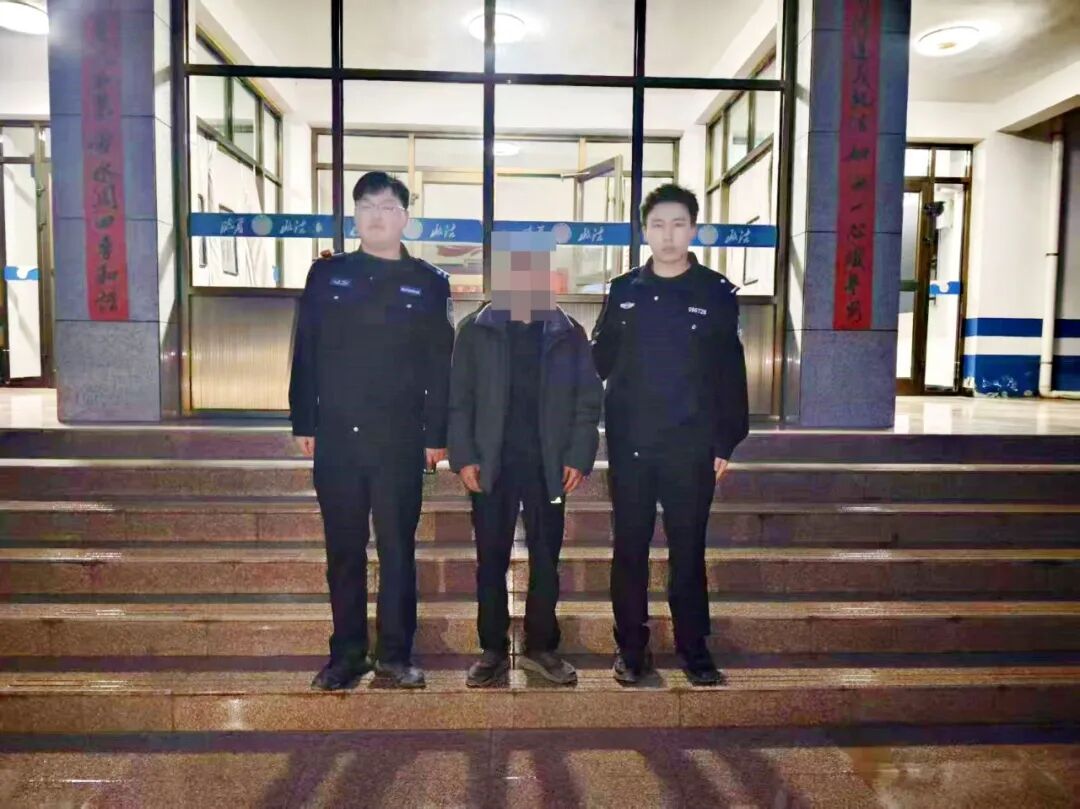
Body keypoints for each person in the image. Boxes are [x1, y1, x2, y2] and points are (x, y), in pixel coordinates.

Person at [289, 171, 453, 690]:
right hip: (337, 434)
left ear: (405, 218)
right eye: (366, 207)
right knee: (343, 549)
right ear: (355, 215)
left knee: (397, 549)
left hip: (398, 437)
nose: (376, 216)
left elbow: (440, 365)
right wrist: (304, 418)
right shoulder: (327, 275)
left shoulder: (429, 282)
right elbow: (306, 348)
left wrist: (436, 434)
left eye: (386, 207)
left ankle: (396, 655)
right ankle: (347, 654)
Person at [591, 183, 749, 687]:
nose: (668, 235)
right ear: (645, 231)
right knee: (630, 548)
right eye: (658, 225)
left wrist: (725, 441)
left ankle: (693, 647)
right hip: (632, 444)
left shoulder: (716, 292)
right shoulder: (624, 290)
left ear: (693, 229)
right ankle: (631, 648)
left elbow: (731, 371)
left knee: (688, 549)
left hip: (692, 444)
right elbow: (598, 361)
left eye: (678, 224)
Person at [448, 231, 602, 688]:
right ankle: (492, 648)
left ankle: (541, 646)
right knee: (490, 558)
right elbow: (460, 400)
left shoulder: (568, 333)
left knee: (546, 558)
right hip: (491, 466)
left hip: (548, 468)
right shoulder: (475, 331)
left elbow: (587, 400)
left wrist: (578, 455)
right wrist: (464, 457)